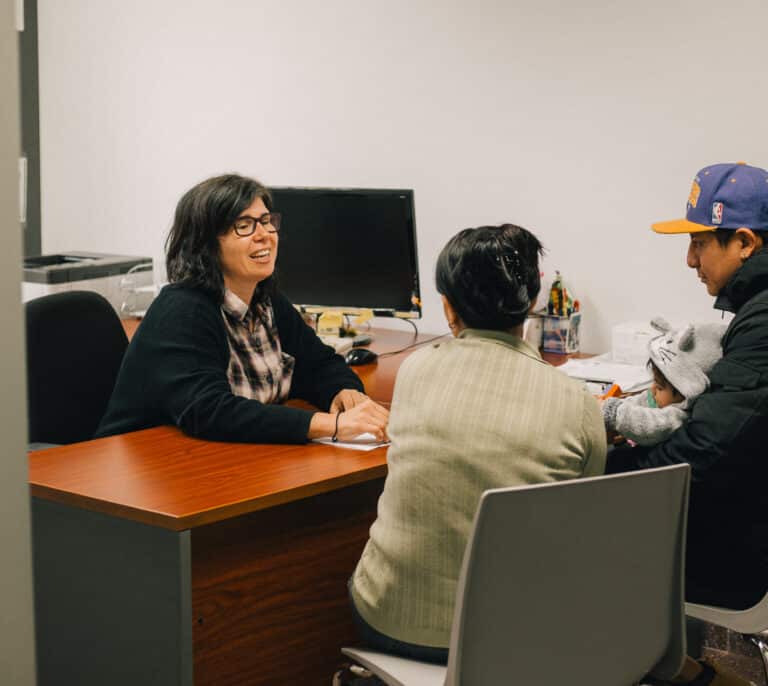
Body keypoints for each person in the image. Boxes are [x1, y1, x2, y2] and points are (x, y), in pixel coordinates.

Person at [348, 224, 606, 664]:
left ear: (448, 309)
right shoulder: (579, 404)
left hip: (388, 619)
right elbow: (580, 515)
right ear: (532, 302)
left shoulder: (413, 371)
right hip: (514, 639)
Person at [96, 174, 389, 444]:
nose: (264, 234)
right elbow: (208, 410)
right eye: (244, 225)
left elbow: (320, 364)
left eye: (266, 220)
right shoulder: (183, 310)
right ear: (207, 244)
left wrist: (344, 391)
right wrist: (330, 425)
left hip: (219, 460)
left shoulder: (266, 300)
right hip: (140, 470)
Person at [608, 162, 768, 612]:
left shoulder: (763, 324)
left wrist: (609, 468)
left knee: (563, 537)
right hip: (747, 514)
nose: (690, 260)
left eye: (699, 243)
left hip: (742, 558)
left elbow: (708, 450)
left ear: (744, 242)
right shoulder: (756, 311)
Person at [602, 317, 726, 446]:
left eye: (660, 387)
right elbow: (640, 401)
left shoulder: (679, 416)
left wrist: (613, 413)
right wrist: (612, 407)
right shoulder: (659, 398)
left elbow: (651, 425)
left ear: (685, 392)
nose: (653, 389)